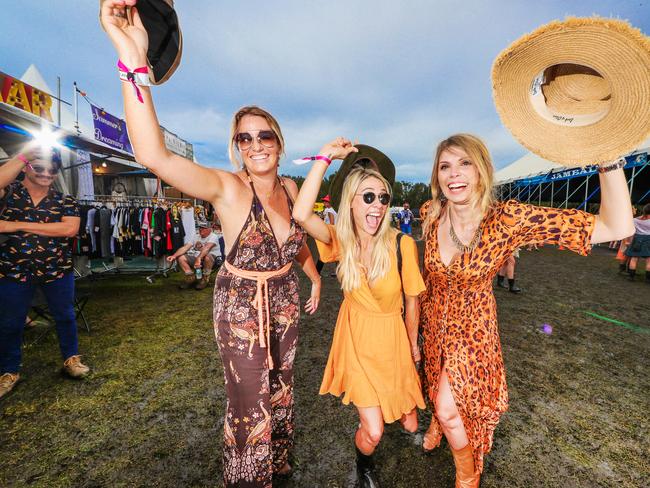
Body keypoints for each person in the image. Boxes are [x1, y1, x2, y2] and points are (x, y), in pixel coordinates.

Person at [100, 3, 322, 485]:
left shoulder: (288, 188)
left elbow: (297, 242)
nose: (255, 144)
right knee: (249, 402)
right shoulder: (228, 188)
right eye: (244, 138)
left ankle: (277, 470)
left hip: (284, 301)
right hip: (240, 307)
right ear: (236, 146)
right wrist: (132, 60)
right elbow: (152, 154)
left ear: (279, 142)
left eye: (264, 135)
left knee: (283, 390)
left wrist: (315, 279)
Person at [418, 134, 634, 486]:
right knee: (436, 384)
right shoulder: (431, 212)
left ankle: (467, 473)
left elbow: (617, 226)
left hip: (473, 327)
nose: (453, 174)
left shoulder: (509, 219)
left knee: (447, 404)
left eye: (464, 163)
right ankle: (437, 425)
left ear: (482, 170)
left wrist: (608, 160)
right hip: (433, 319)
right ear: (436, 175)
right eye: (445, 166)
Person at [292, 140, 426, 488]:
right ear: (350, 201)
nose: (378, 206)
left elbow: (413, 300)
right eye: (368, 197)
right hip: (355, 339)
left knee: (410, 423)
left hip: (393, 340)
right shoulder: (341, 241)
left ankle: (405, 423)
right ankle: (363, 465)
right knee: (374, 430)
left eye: (383, 198)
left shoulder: (402, 244)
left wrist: (413, 345)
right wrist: (323, 158)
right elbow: (301, 214)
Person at [0, 146, 90, 399]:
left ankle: (71, 360)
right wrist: (23, 156)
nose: (46, 173)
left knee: (65, 316)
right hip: (13, 269)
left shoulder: (65, 200)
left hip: (57, 269)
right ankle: (8, 371)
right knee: (10, 322)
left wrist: (11, 225)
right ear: (26, 167)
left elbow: (68, 230)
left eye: (52, 169)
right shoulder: (9, 193)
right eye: (39, 168)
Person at [166, 221, 220, 290]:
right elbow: (185, 248)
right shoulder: (196, 236)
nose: (201, 229)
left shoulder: (213, 236)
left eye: (204, 228)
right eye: (200, 228)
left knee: (207, 257)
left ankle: (205, 279)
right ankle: (190, 277)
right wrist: (174, 256)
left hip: (213, 259)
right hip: (197, 257)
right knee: (181, 258)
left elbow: (206, 249)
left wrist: (198, 259)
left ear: (210, 229)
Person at [624, 203, 650, 282]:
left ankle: (631, 277)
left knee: (634, 258)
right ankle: (648, 279)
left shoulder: (635, 220)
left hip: (637, 239)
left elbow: (632, 231)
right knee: (649, 260)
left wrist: (628, 241)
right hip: (648, 239)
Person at [315, 194, 337, 275]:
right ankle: (337, 272)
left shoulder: (329, 211)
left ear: (329, 202)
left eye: (325, 201)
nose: (324, 203)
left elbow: (331, 223)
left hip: (330, 233)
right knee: (337, 253)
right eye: (324, 201)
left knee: (323, 253)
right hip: (333, 234)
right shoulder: (329, 210)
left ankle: (317, 272)